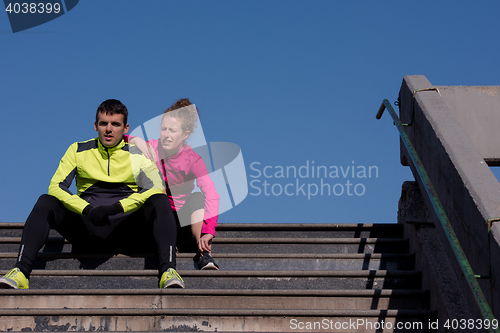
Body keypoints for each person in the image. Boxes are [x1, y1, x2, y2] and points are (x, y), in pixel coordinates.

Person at [0, 99, 184, 290]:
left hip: (125, 230)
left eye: (115, 124)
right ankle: (20, 271)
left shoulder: (138, 154)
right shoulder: (78, 149)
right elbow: (56, 187)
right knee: (46, 201)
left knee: (160, 200)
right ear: (96, 125)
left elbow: (154, 187)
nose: (109, 129)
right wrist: (86, 209)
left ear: (125, 127)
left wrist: (116, 208)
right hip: (86, 228)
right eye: (103, 123)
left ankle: (168, 270)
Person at [127, 98, 220, 270]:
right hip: (157, 217)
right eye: (164, 129)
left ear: (185, 134)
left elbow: (212, 194)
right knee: (153, 198)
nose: (166, 134)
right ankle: (164, 245)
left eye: (172, 130)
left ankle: (204, 253)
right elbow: (115, 138)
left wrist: (208, 231)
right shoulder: (151, 147)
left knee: (198, 198)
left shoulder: (193, 160)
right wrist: (134, 139)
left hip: (183, 220)